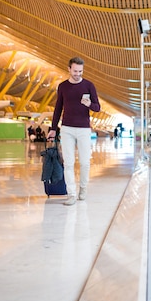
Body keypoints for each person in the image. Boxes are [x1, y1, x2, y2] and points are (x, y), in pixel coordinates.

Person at [47, 57, 100, 205]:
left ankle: (83, 188)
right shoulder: (63, 86)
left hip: (83, 128)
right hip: (67, 128)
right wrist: (53, 129)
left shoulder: (89, 85)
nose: (78, 74)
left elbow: (97, 107)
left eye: (80, 71)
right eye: (75, 71)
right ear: (69, 69)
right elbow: (58, 109)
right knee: (68, 163)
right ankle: (71, 194)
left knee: (84, 162)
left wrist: (89, 104)